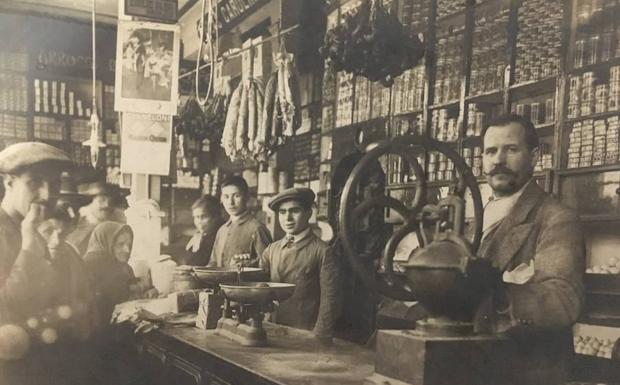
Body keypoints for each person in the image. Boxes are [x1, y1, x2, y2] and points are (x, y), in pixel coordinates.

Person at [473, 114, 584, 385]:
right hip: (473, 364)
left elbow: (563, 301)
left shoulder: (556, 217)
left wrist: (495, 292)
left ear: (534, 156)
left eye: (510, 149)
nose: (498, 160)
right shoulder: (474, 215)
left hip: (525, 371)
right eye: (490, 151)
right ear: (482, 160)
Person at [0, 142, 81, 384]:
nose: (46, 195)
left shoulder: (45, 229)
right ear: (9, 182)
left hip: (50, 366)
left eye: (54, 184)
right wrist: (29, 248)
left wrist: (59, 250)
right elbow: (8, 309)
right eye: (34, 182)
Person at [257, 187, 340, 344]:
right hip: (271, 329)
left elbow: (330, 301)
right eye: (282, 212)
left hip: (304, 334)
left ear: (309, 213)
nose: (287, 218)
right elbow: (258, 282)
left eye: (294, 211)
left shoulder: (323, 251)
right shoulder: (271, 249)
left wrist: (319, 337)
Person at [83, 222, 157, 329]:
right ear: (106, 242)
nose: (127, 250)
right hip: (99, 332)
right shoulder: (88, 267)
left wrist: (149, 291)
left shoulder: (124, 267)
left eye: (129, 244)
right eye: (120, 244)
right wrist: (137, 289)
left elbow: (132, 289)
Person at [208, 176, 272, 268]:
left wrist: (245, 265)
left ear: (246, 197)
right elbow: (213, 263)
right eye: (226, 197)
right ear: (221, 199)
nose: (231, 202)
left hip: (244, 282)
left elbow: (267, 265)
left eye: (236, 196)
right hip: (219, 282)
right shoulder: (222, 230)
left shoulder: (256, 228)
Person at [66, 181, 125, 257]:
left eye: (110, 201)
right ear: (89, 202)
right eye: (102, 200)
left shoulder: (119, 222)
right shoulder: (76, 228)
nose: (107, 205)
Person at [180, 195, 226, 266]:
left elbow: (197, 262)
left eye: (203, 217)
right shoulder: (202, 234)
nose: (198, 221)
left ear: (215, 217)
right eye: (196, 217)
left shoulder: (219, 234)